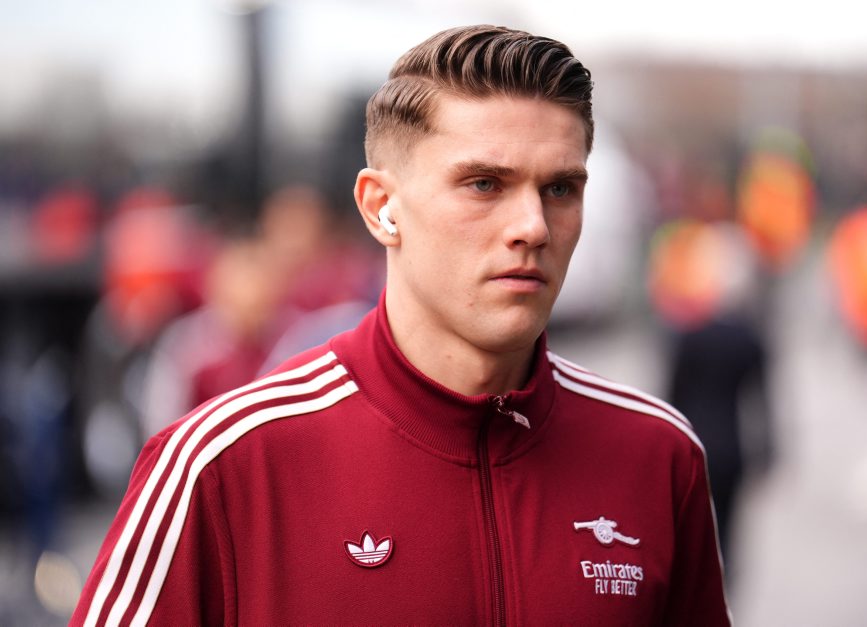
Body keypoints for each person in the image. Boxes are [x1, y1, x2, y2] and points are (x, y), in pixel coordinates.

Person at [71, 25, 730, 625]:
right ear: (381, 207)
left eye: (560, 188)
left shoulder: (659, 455)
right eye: (484, 184)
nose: (533, 226)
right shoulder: (220, 466)